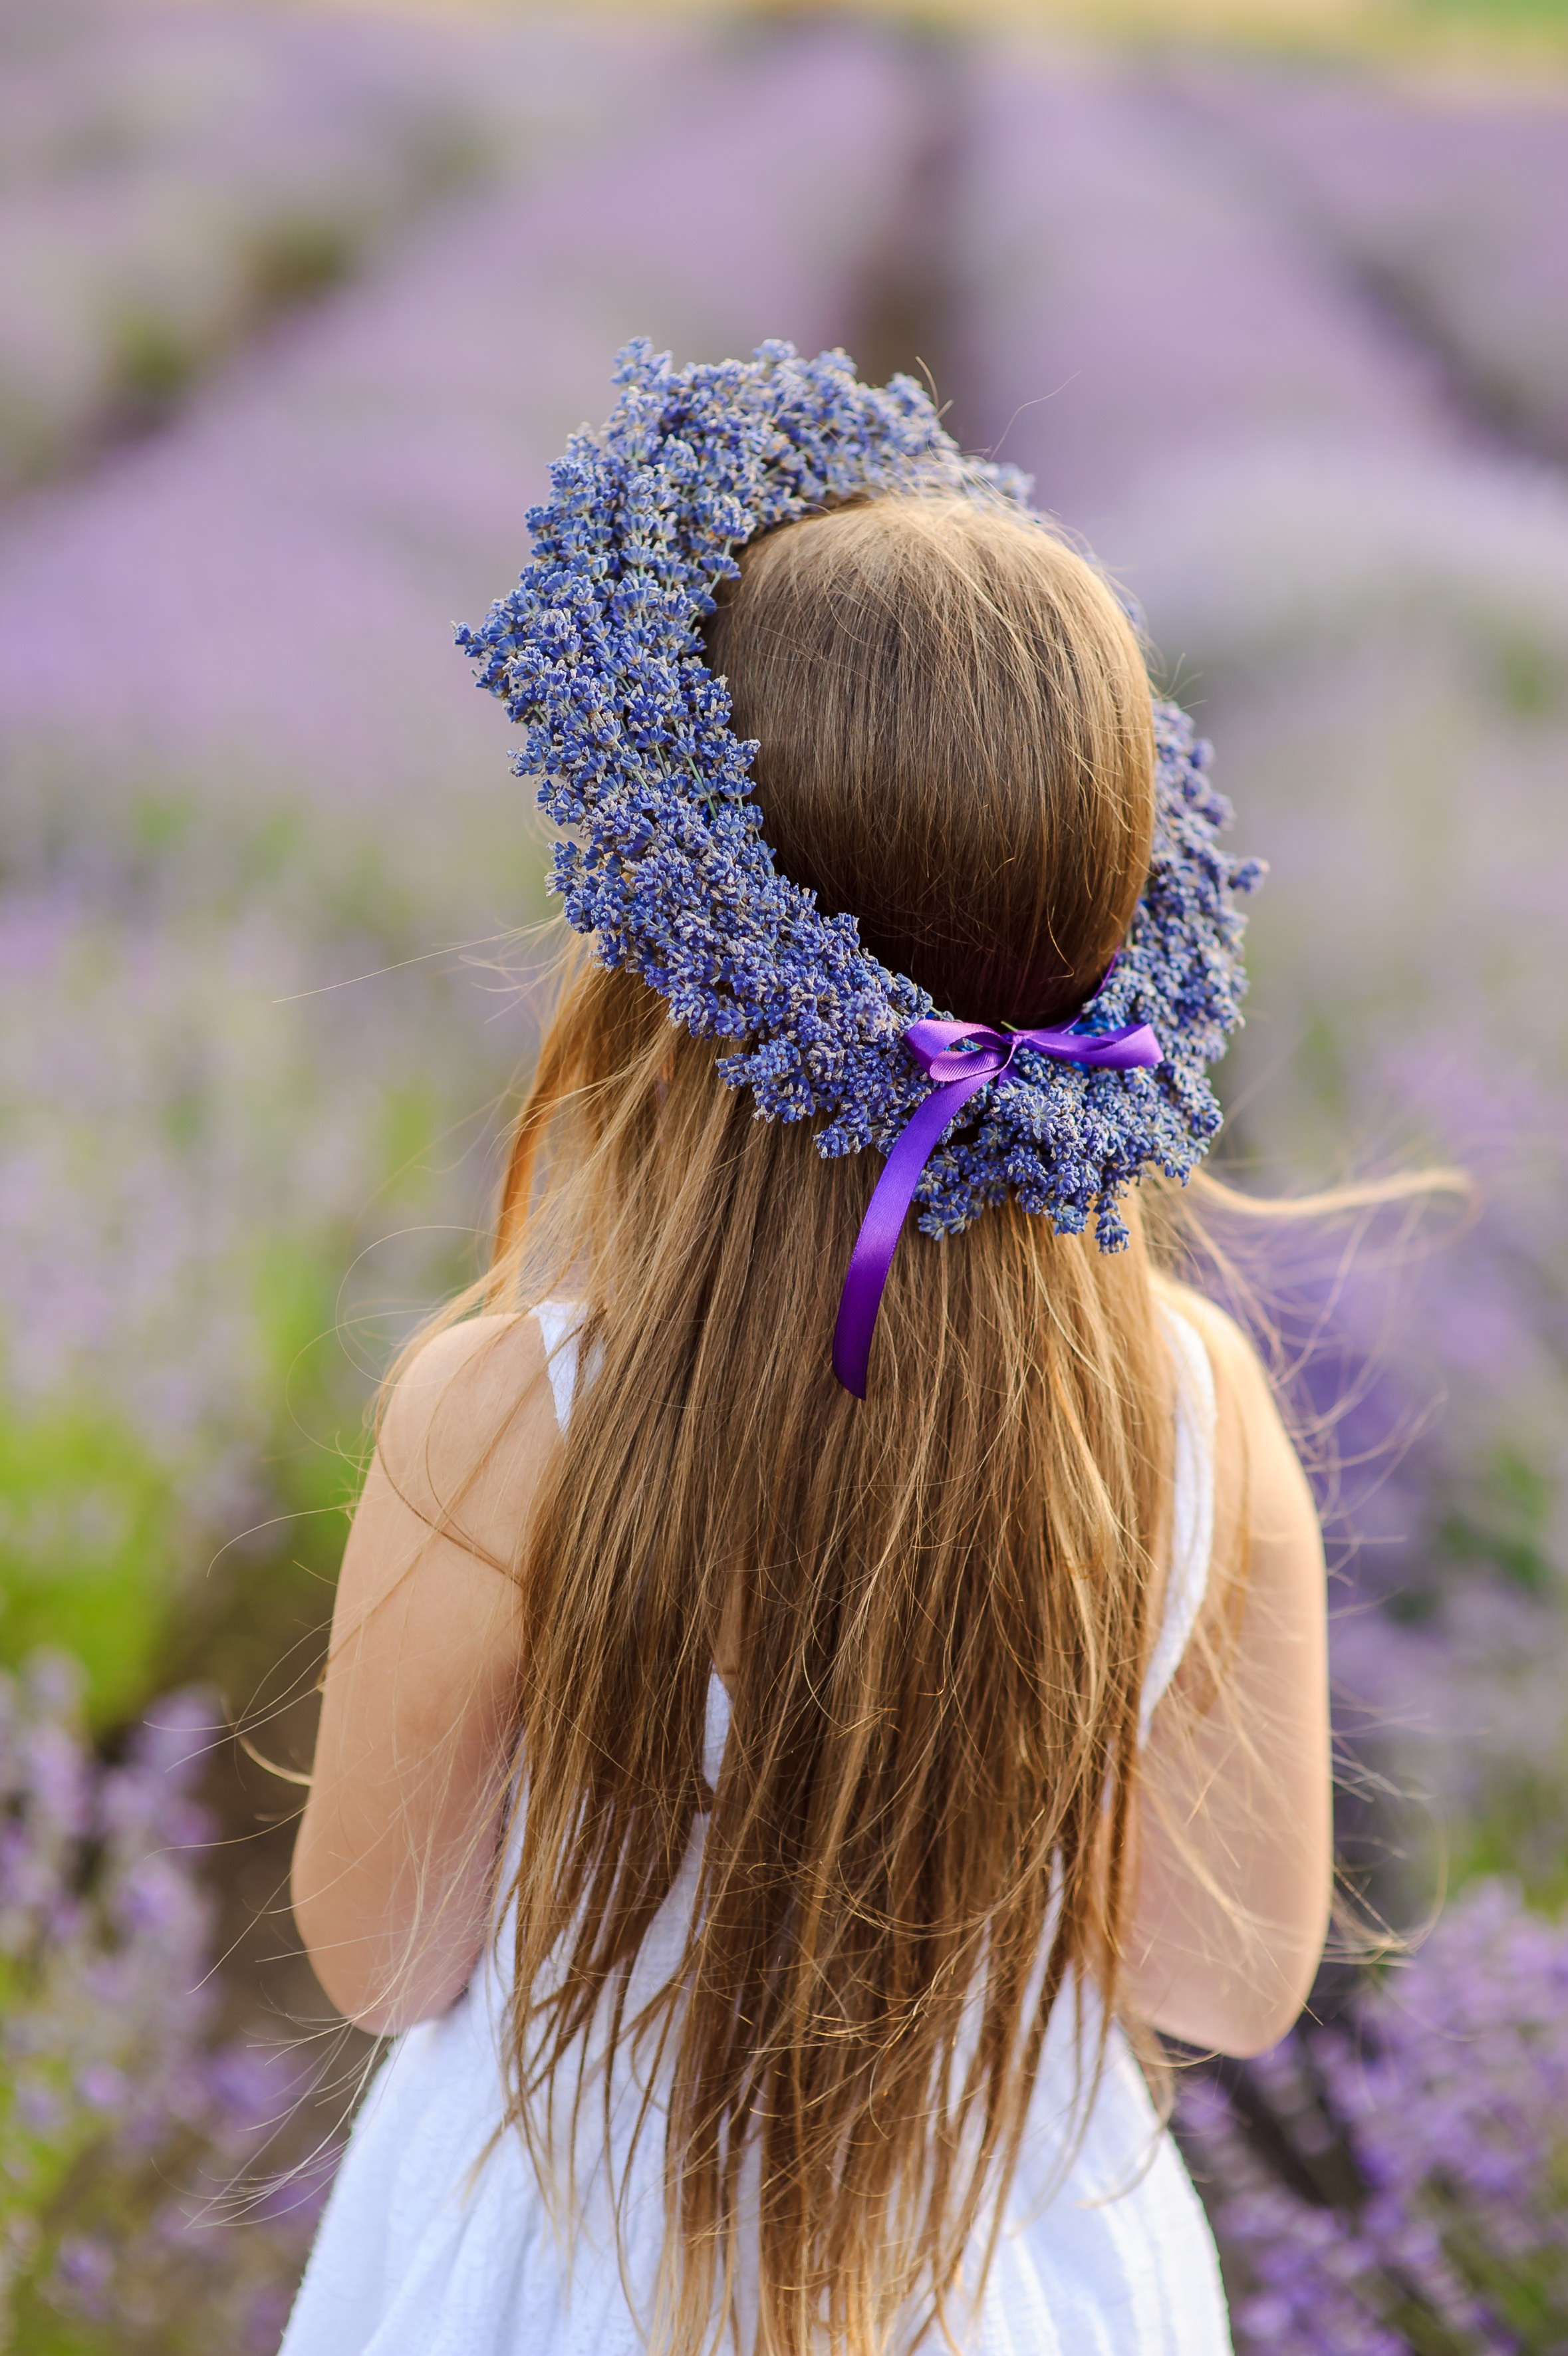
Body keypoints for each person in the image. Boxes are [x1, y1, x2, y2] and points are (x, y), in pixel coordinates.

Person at [280, 346, 1330, 2356]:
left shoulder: (505, 1412)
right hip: (1021, 2271)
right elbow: (1225, 1976)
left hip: (569, 2263)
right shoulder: (1196, 1412)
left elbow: (386, 1954)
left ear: (672, 937)